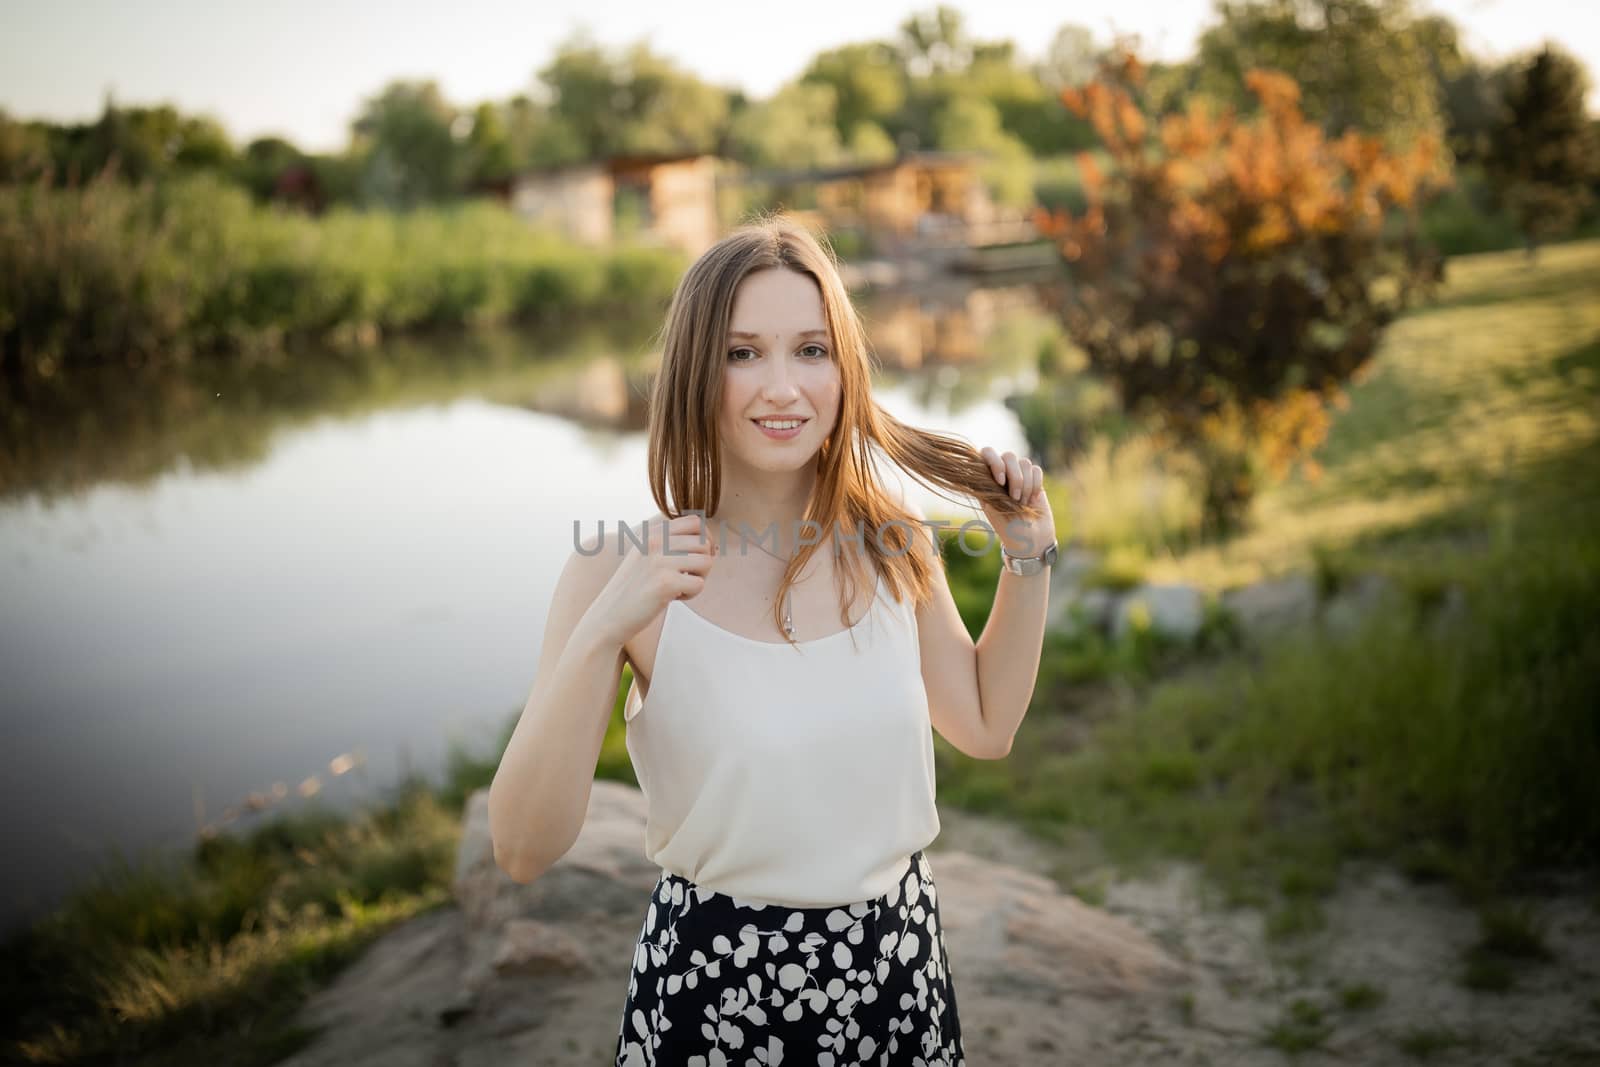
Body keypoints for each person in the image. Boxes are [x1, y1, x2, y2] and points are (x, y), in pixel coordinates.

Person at [487, 213, 1057, 1066]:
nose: (783, 387)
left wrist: (1026, 553)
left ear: (845, 370)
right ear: (694, 370)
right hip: (716, 998)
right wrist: (607, 624)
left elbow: (984, 723)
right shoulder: (618, 569)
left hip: (898, 984)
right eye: (742, 352)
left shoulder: (894, 542)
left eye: (812, 350)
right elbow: (524, 848)